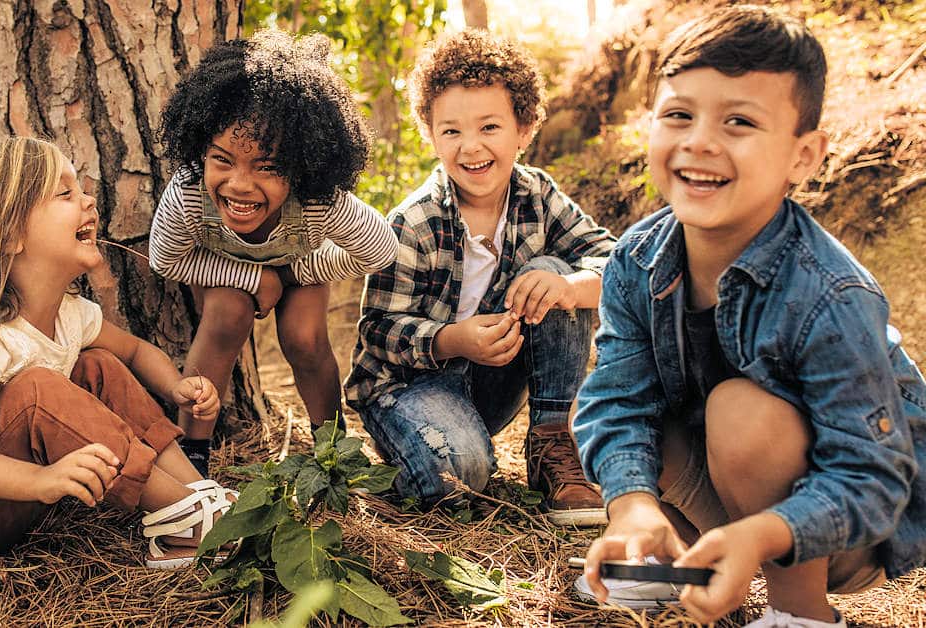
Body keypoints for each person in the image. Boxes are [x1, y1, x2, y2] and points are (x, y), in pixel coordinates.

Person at [573, 6, 926, 625]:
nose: (700, 141)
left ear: (803, 157)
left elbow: (873, 476)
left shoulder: (831, 293)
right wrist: (631, 505)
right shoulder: (635, 259)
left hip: (844, 524)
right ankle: (674, 561)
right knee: (640, 415)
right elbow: (616, 400)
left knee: (741, 412)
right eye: (679, 114)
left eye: (739, 121)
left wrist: (763, 534)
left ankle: (801, 611)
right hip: (732, 494)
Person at [0, 137, 235, 569]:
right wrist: (41, 480)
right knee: (38, 388)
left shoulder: (70, 313)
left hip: (7, 492)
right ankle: (185, 520)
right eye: (65, 193)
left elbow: (134, 352)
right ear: (8, 234)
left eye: (79, 189)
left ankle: (194, 494)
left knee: (97, 365)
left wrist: (175, 386)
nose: (88, 201)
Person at [344, 29, 617, 526]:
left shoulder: (538, 195)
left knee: (552, 274)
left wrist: (572, 287)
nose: (471, 147)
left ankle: (552, 442)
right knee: (462, 475)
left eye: (489, 126)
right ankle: (421, 452)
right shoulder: (414, 221)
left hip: (491, 382)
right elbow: (377, 329)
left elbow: (616, 261)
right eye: (451, 131)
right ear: (431, 135)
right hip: (408, 388)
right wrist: (452, 340)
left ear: (525, 128)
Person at [149, 30, 398, 476]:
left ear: (303, 167)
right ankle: (192, 460)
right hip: (224, 272)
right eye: (222, 159)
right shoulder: (188, 194)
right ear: (201, 151)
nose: (240, 184)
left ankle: (332, 454)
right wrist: (251, 278)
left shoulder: (319, 200)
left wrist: (294, 272)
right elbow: (166, 260)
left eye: (267, 167)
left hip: (300, 268)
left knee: (304, 338)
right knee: (226, 315)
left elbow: (379, 249)